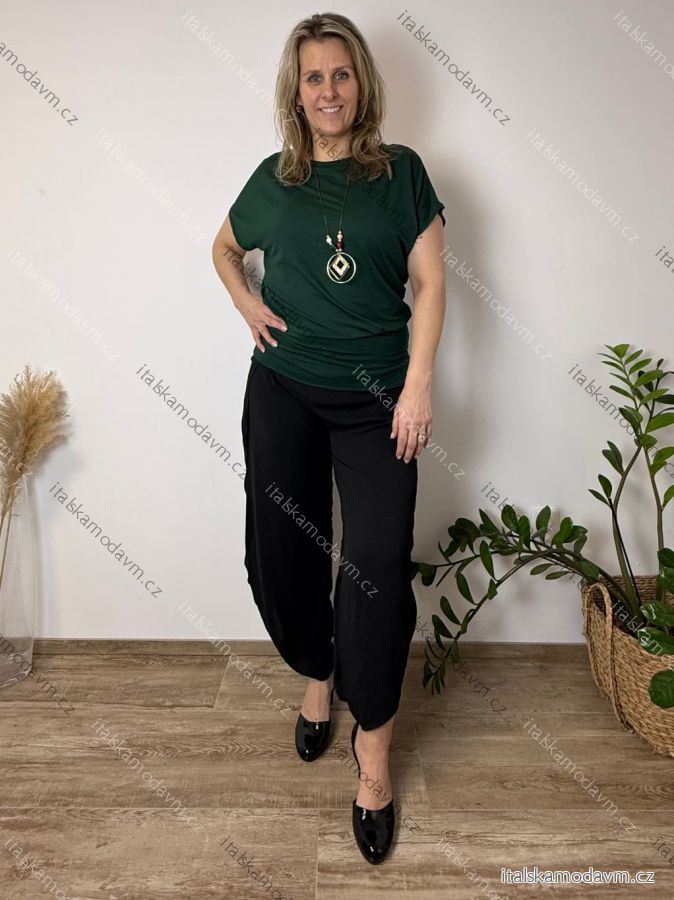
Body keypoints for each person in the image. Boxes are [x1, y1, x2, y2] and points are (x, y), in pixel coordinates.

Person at [211, 11, 446, 866]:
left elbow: (430, 283)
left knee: (375, 568)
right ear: (296, 91)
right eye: (313, 77)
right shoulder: (274, 179)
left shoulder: (403, 174)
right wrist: (247, 303)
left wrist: (417, 384)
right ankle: (320, 672)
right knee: (280, 553)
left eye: (340, 74)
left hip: (379, 403)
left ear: (362, 84)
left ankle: (372, 756)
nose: (328, 91)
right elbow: (224, 248)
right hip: (282, 392)